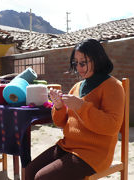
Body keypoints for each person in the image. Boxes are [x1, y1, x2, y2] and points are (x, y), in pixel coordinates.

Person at [25, 39, 125, 180]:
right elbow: (61, 123)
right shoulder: (77, 87)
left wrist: (81, 106)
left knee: (42, 178)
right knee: (29, 171)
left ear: (98, 59)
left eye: (83, 63)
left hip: (94, 154)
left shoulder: (114, 86)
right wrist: (59, 107)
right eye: (75, 63)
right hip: (68, 146)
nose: (78, 68)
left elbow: (112, 126)